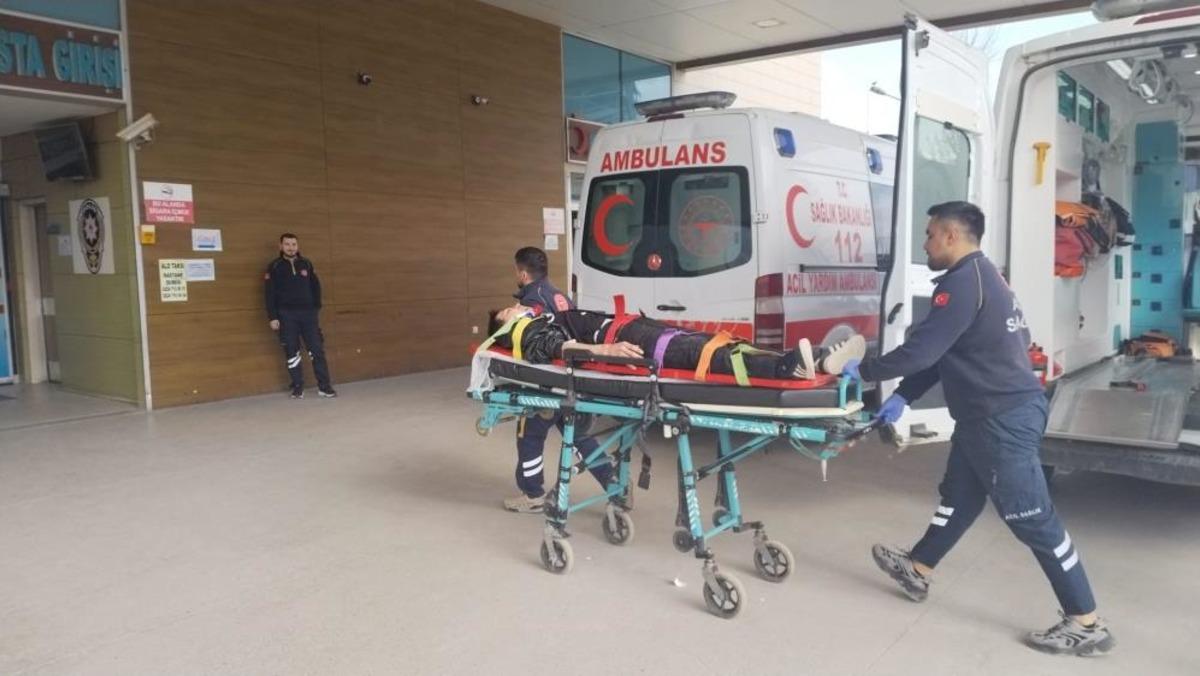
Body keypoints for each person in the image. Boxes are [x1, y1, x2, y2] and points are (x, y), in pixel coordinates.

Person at [840, 201, 1113, 656]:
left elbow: (922, 352)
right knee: (960, 499)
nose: (925, 244)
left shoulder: (964, 284)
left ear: (951, 236)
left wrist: (865, 371)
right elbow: (947, 353)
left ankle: (1086, 622)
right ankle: (919, 568)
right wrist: (904, 395)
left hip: (1001, 419)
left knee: (1033, 518)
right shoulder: (983, 277)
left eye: (930, 235)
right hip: (985, 416)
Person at [486, 304, 865, 384]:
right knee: (704, 354)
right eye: (507, 310)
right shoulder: (524, 332)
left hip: (637, 330)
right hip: (626, 343)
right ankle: (786, 368)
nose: (515, 306)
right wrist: (605, 351)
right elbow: (555, 349)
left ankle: (816, 359)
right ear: (504, 325)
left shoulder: (539, 317)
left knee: (720, 343)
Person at [502, 247, 600, 513]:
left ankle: (532, 494)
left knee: (529, 435)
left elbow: (530, 340)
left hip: (545, 382)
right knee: (578, 436)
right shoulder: (560, 296)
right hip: (570, 378)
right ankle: (613, 482)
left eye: (516, 271)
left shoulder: (531, 301)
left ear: (523, 274)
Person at [264, 233, 336, 399]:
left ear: (298, 246)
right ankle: (297, 387)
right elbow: (269, 294)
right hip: (286, 315)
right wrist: (273, 316)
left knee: (316, 350)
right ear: (281, 246)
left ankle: (324, 387)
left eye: (294, 244)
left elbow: (316, 286)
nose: (291, 247)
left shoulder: (306, 264)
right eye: (287, 244)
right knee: (292, 351)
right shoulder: (274, 266)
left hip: (308, 315)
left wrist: (316, 307)